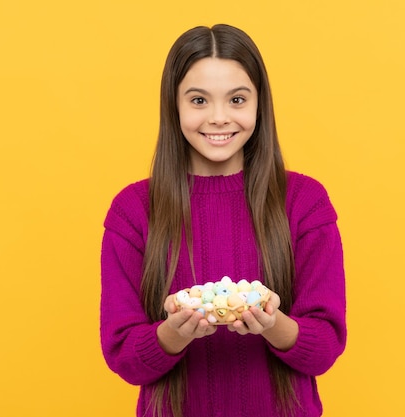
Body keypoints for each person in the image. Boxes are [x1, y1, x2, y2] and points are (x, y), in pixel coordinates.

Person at [100, 24, 347, 417]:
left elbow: (324, 348)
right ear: (173, 106)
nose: (218, 117)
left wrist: (270, 321)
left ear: (258, 105)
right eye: (198, 100)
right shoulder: (133, 210)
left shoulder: (304, 202)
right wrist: (173, 333)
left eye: (236, 99)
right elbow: (123, 357)